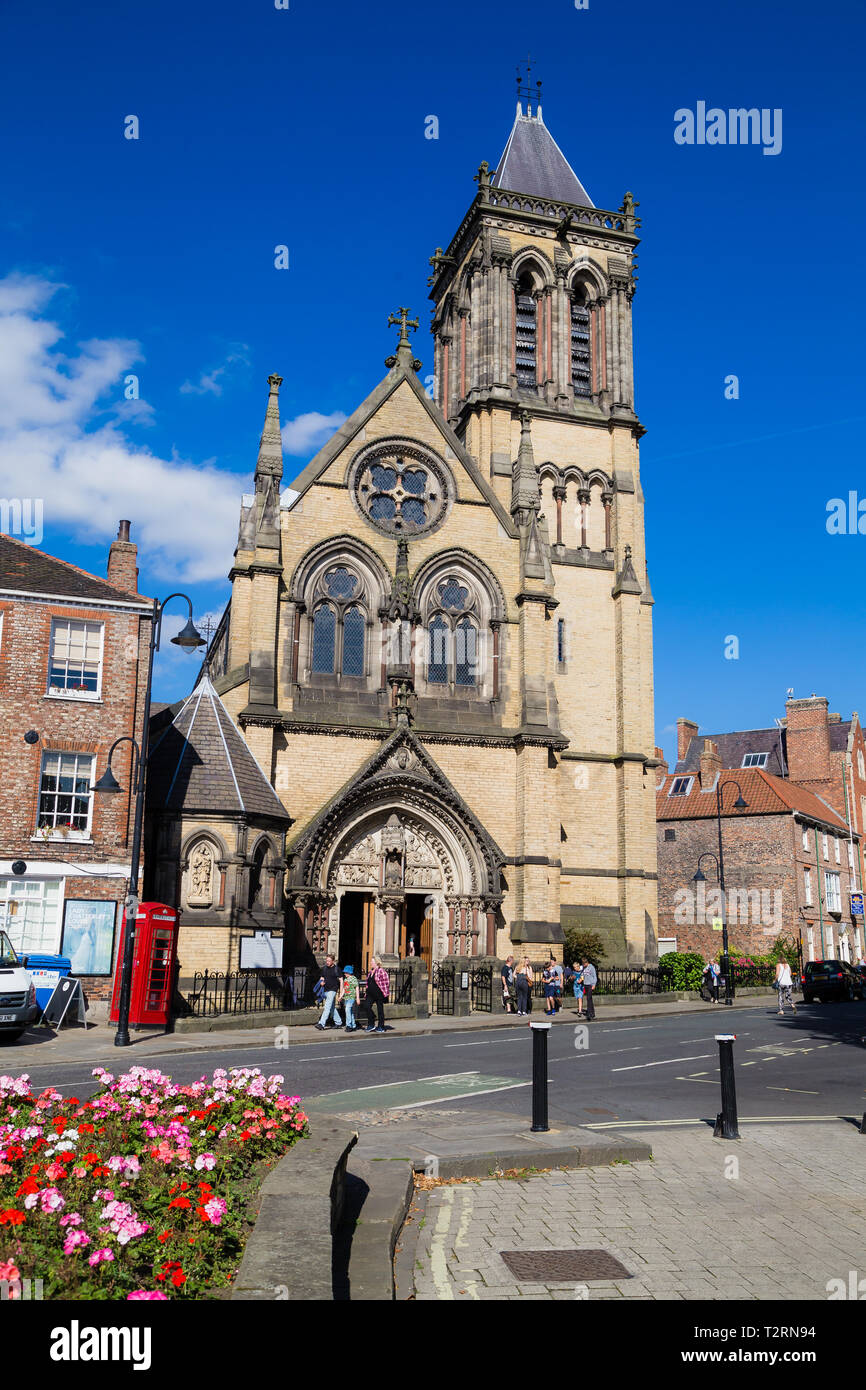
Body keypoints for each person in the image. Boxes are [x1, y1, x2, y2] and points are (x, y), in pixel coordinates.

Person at [315, 954, 343, 1030]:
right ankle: (338, 1022)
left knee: (327, 1006)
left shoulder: (337, 969)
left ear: (333, 961)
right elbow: (322, 977)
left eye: (329, 961)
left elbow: (341, 980)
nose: (327, 962)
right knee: (331, 1008)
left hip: (333, 990)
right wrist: (321, 982)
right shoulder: (324, 968)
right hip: (325, 990)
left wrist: (341, 993)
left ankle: (321, 1023)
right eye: (326, 960)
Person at [363, 956, 390, 1033]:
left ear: (376, 962)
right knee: (366, 1006)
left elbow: (386, 982)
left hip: (379, 994)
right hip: (370, 994)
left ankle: (381, 1026)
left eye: (372, 962)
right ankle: (371, 1024)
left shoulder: (381, 971)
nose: (370, 963)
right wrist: (366, 992)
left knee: (380, 1010)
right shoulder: (371, 972)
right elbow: (368, 983)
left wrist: (385, 993)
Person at [340, 966, 359, 1031]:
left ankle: (348, 1025)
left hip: (351, 997)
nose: (344, 973)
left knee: (347, 1010)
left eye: (345, 972)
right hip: (346, 998)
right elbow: (344, 989)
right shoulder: (345, 979)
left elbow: (356, 988)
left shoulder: (354, 979)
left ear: (349, 972)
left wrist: (358, 998)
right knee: (350, 1012)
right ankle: (353, 1025)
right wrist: (340, 996)